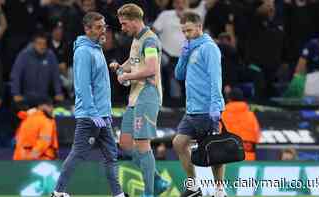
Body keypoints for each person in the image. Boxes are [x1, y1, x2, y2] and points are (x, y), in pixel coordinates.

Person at [51, 12, 126, 197]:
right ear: (87, 29)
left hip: (102, 115)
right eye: (99, 27)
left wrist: (104, 113)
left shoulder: (96, 48)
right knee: (78, 154)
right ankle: (58, 193)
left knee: (111, 155)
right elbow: (83, 86)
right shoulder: (84, 51)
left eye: (105, 26)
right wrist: (93, 114)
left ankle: (118, 194)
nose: (104, 31)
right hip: (90, 115)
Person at [110, 3, 169, 197]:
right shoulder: (136, 39)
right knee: (126, 144)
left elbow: (151, 69)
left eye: (125, 23)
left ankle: (149, 193)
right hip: (135, 97)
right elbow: (133, 62)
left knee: (143, 144)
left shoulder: (150, 41)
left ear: (135, 21)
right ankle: (158, 180)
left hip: (148, 95)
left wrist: (126, 77)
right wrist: (121, 67)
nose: (122, 28)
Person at [172, 11, 225, 197]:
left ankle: (219, 190)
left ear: (199, 27)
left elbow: (215, 78)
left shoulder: (209, 48)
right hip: (192, 109)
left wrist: (216, 105)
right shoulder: (190, 48)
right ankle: (194, 185)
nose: (186, 35)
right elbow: (178, 75)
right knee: (179, 143)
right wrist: (184, 56)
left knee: (213, 151)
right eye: (183, 31)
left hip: (206, 108)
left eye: (189, 30)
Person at [13, 96, 58, 160]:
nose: (52, 109)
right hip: (41, 160)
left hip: (21, 159)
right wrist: (32, 156)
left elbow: (19, 141)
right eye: (49, 106)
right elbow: (44, 141)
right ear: (40, 106)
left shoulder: (25, 119)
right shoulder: (45, 120)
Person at [221, 88, 260, 161]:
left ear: (229, 99)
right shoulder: (251, 115)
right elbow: (257, 135)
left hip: (228, 159)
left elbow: (217, 135)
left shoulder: (223, 115)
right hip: (248, 160)